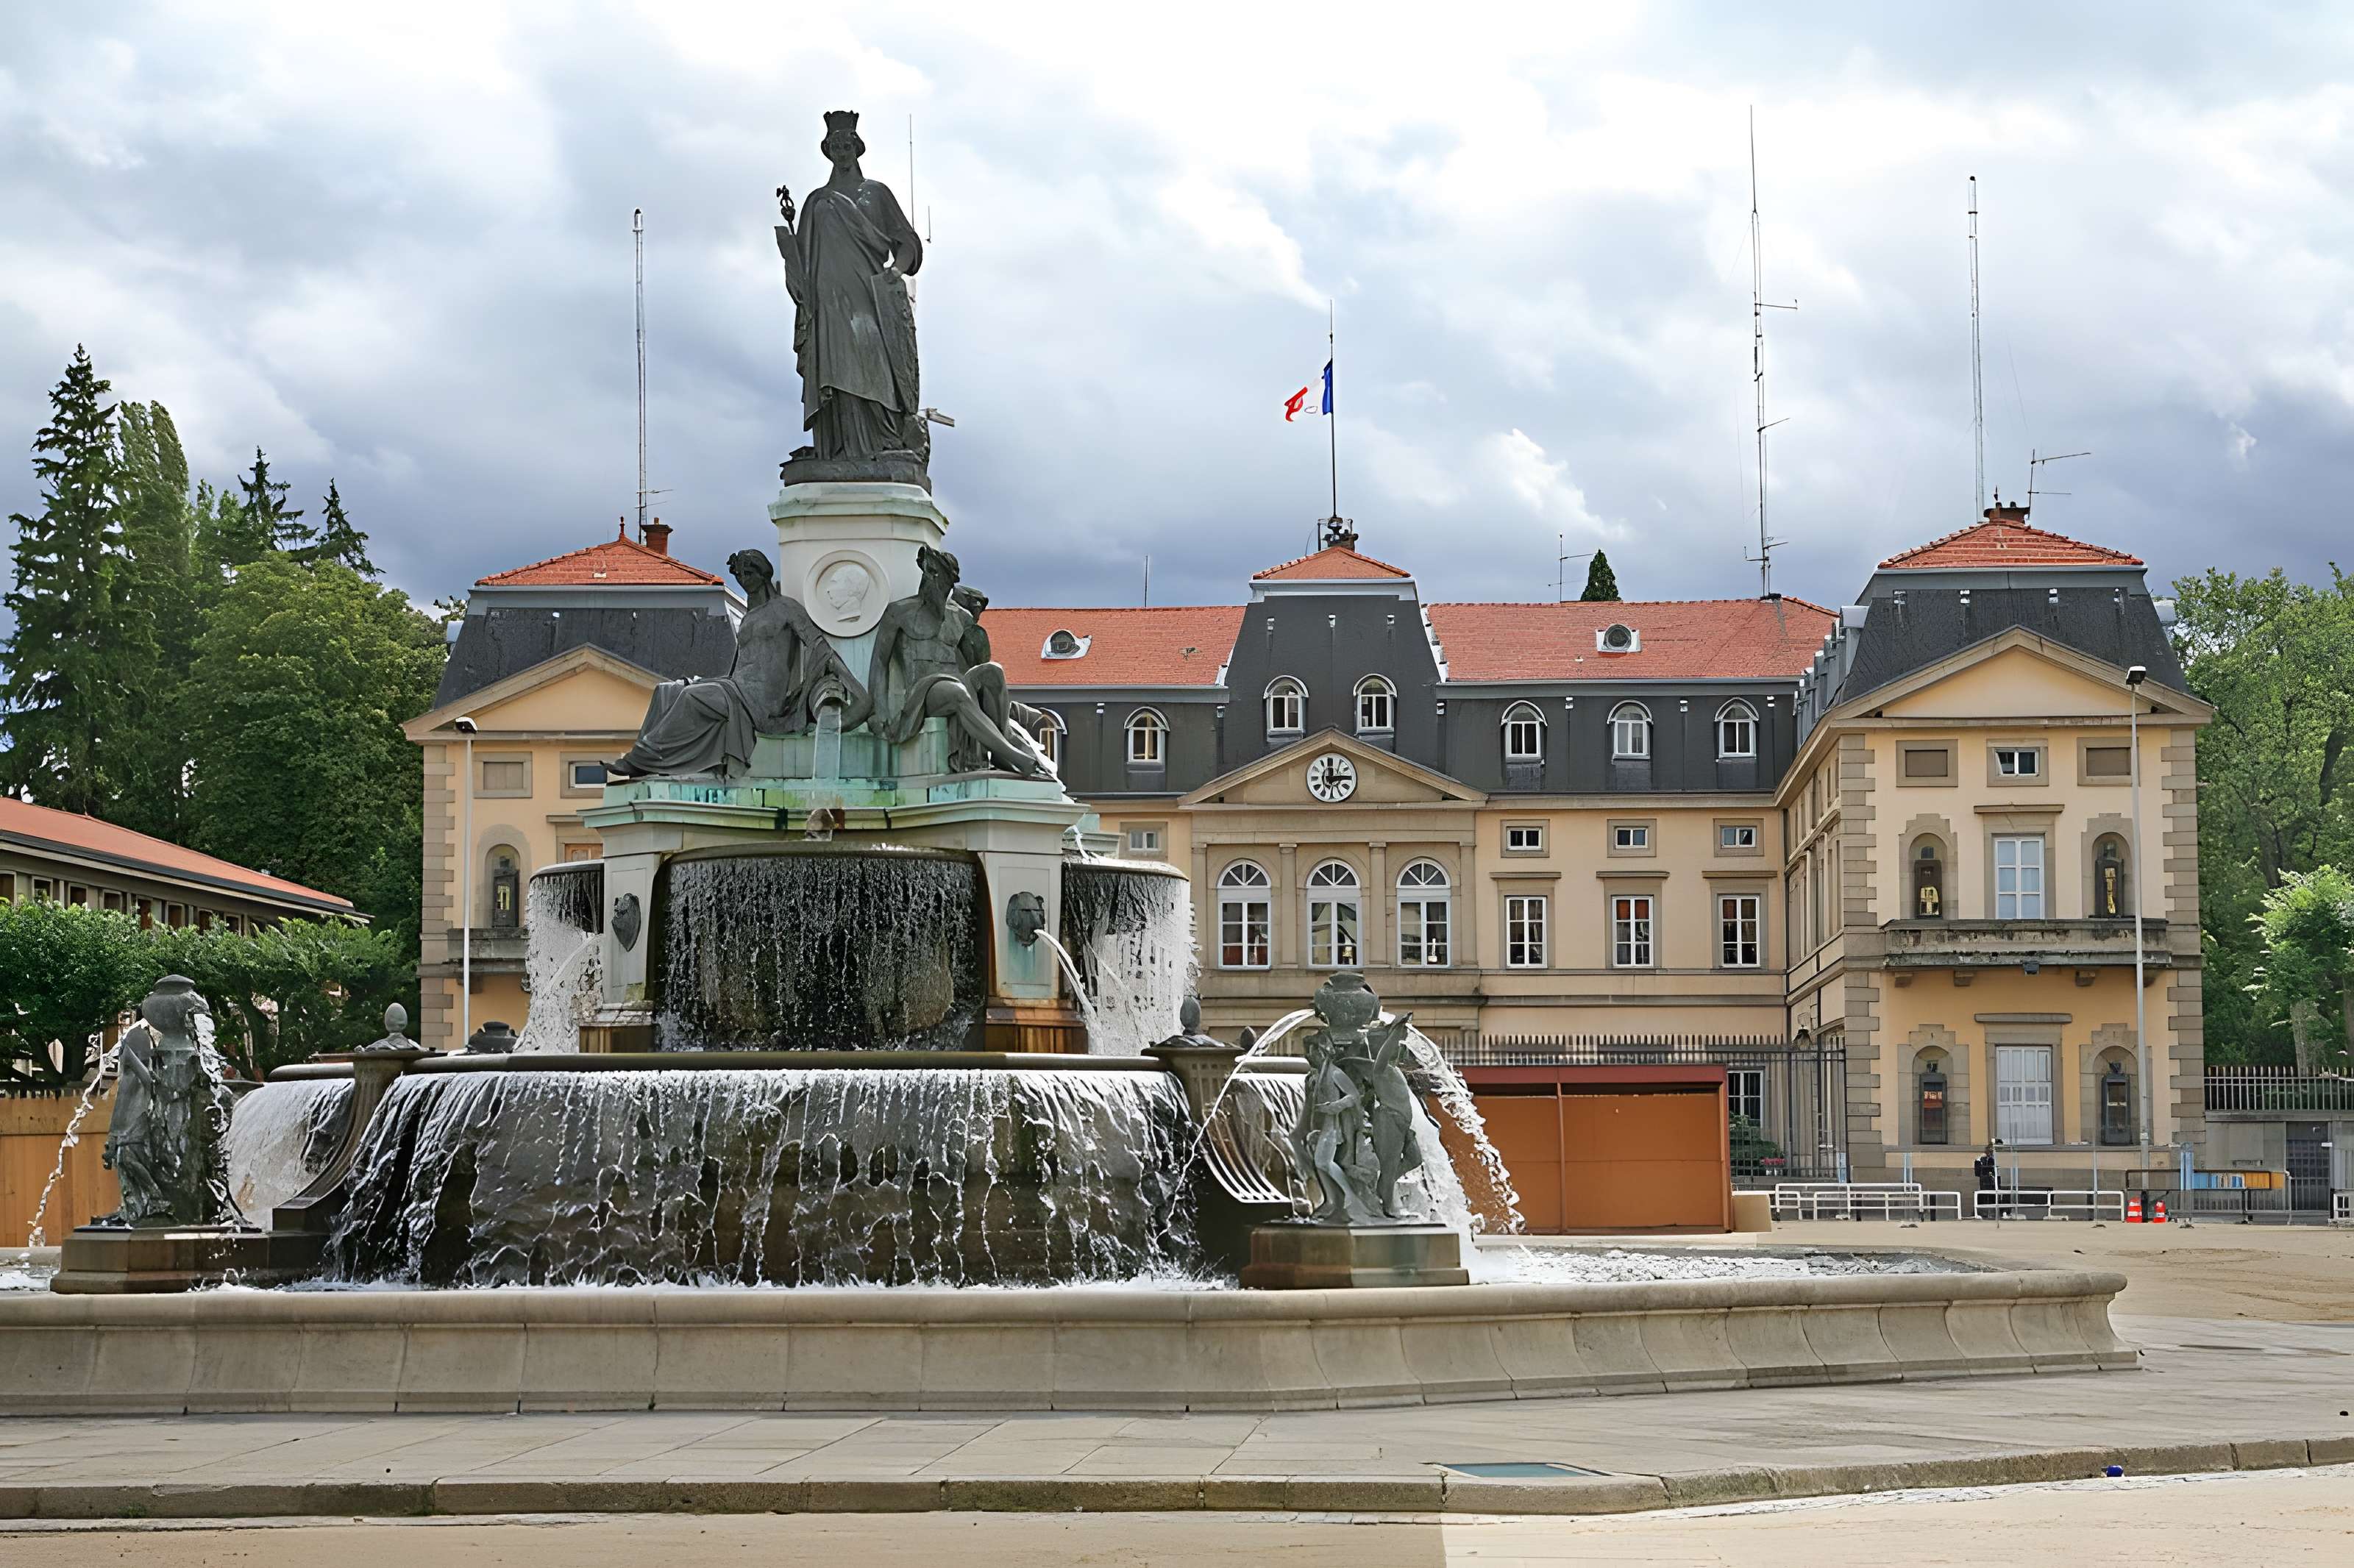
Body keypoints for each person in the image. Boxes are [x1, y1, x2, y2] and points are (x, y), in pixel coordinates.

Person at [775, 110, 925, 466]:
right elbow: (802, 262)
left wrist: (895, 271)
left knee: (874, 365)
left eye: (847, 145)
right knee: (833, 369)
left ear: (857, 148)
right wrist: (790, 240)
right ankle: (838, 447)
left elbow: (908, 243)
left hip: (868, 297)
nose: (842, 152)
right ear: (828, 151)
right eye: (836, 146)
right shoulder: (816, 201)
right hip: (828, 301)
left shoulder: (876, 194)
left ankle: (883, 440)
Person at [870, 546, 1051, 777]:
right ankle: (1013, 756)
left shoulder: (960, 616)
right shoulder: (899, 612)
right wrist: (881, 712)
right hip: (923, 690)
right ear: (928, 573)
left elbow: (974, 662)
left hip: (957, 679)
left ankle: (1001, 741)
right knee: (957, 692)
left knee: (993, 671)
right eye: (938, 576)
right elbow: (880, 664)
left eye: (948, 581)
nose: (942, 586)